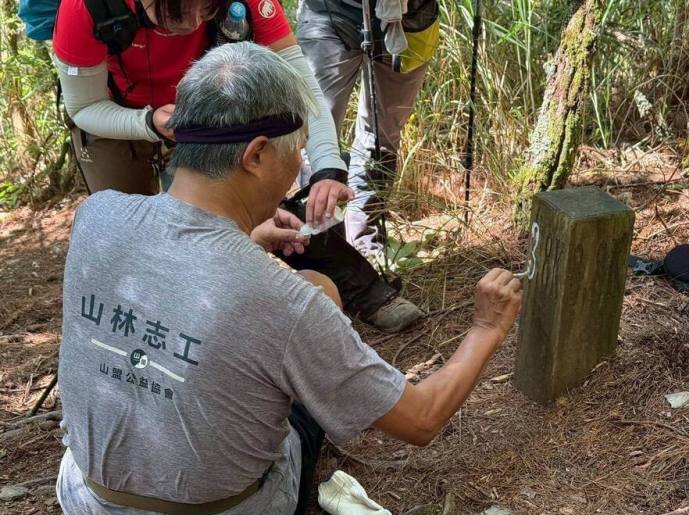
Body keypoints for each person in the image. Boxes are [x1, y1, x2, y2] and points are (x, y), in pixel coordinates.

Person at [56, 42, 522, 515]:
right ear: (255, 155)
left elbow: (177, 278)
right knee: (321, 294)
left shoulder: (97, 215)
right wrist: (487, 326)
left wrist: (245, 241)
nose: (300, 166)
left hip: (88, 501)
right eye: (297, 149)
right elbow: (421, 420)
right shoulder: (283, 300)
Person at [52, 0, 423, 332]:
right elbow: (84, 108)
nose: (196, 23)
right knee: (133, 236)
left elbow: (303, 90)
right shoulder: (86, 8)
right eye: (182, 11)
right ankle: (144, 327)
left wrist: (328, 169)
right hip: (116, 117)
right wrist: (148, 124)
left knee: (255, 196)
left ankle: (363, 289)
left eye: (209, 9)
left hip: (205, 111)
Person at [296, 0, 439, 256]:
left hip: (411, 17)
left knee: (382, 137)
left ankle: (366, 246)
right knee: (315, 130)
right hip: (328, 10)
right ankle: (323, 249)